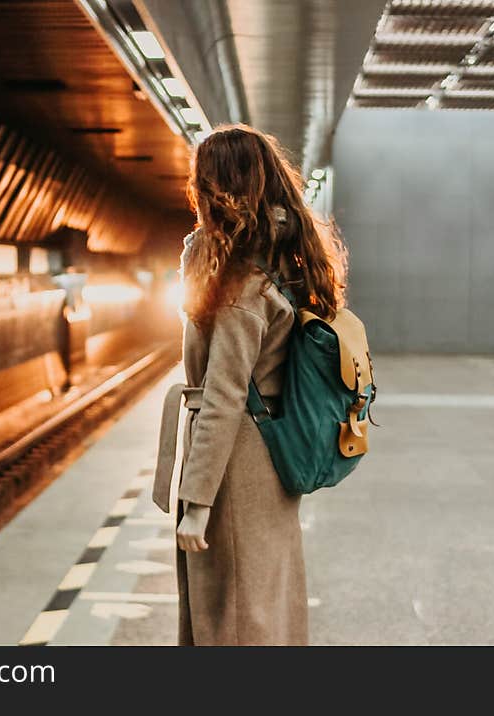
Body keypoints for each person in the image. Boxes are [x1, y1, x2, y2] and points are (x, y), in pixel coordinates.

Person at [159, 124, 348, 646]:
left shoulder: (241, 285)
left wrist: (197, 503)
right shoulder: (279, 261)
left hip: (234, 466)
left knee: (235, 615)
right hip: (265, 460)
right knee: (262, 601)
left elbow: (221, 396)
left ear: (218, 188)